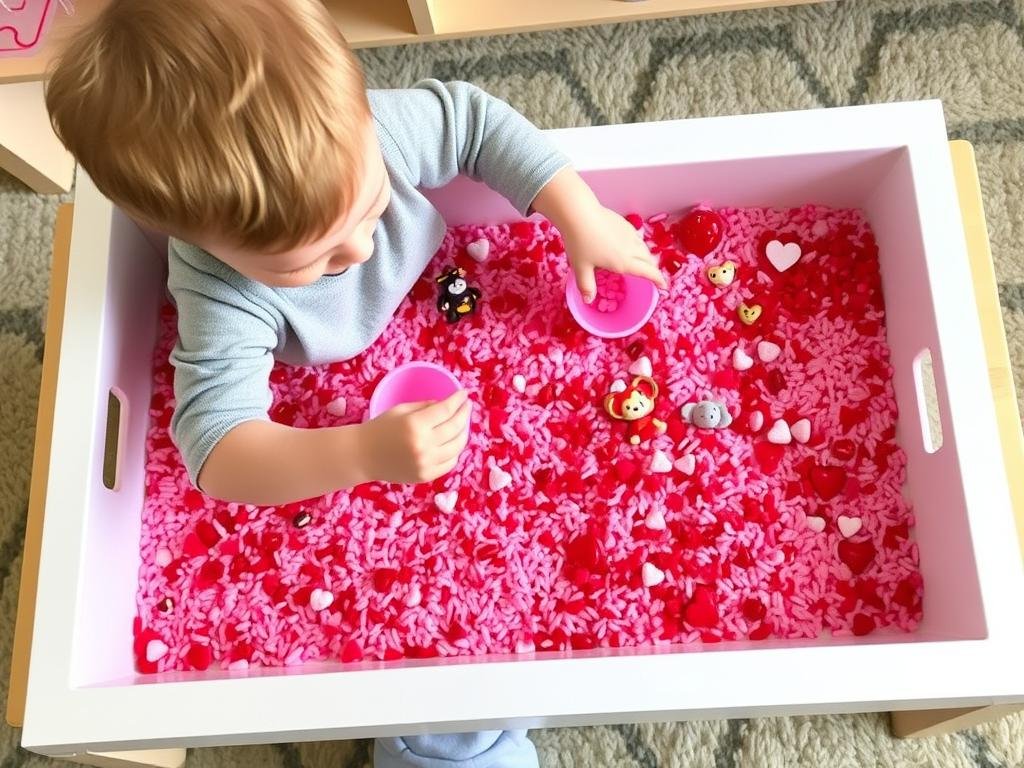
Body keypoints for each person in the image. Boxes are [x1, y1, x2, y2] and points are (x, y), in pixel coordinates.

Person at [45, 1, 665, 764]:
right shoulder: (218, 288)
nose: (365, 247)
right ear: (197, 240)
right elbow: (218, 450)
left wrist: (578, 212)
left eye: (370, 208)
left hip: (440, 301)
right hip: (359, 448)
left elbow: (472, 122)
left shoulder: (368, 134)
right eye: (317, 260)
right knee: (441, 702)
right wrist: (362, 454)